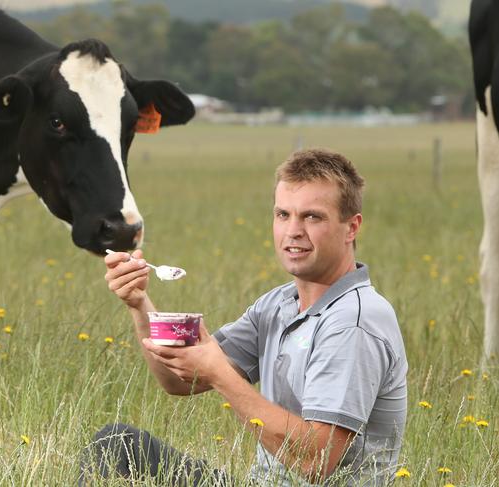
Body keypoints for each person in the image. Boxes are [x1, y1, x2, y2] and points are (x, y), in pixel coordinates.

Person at [79, 148, 408, 486]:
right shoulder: (278, 305)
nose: (293, 231)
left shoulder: (355, 321)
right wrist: (139, 303)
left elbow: (315, 460)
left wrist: (220, 374)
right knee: (115, 444)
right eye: (283, 215)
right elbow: (179, 380)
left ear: (351, 228)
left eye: (312, 217)